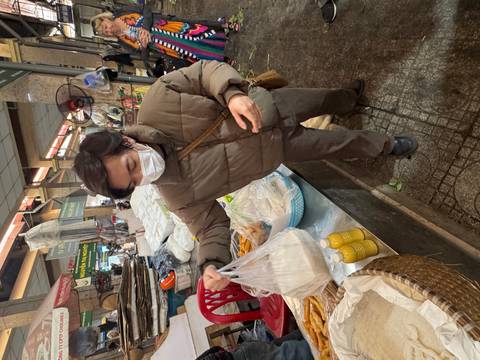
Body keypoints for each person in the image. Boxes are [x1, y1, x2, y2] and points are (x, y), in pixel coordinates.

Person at [73, 60, 417, 291]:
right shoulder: (176, 195)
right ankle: (386, 145)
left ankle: (350, 99)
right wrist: (211, 263)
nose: (142, 173)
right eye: (134, 182)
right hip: (277, 151)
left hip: (269, 107)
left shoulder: (158, 102)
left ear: (126, 140)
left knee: (321, 99)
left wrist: (233, 94)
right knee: (335, 145)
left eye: (132, 164)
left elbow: (206, 73)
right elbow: (210, 227)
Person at [91, 6, 239, 68]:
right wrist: (143, 45)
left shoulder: (122, 12)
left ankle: (225, 26)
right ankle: (222, 59)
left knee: (198, 30)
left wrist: (144, 28)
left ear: (105, 19)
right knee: (193, 54)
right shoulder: (122, 42)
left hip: (167, 26)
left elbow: (146, 10)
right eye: (105, 33)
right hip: (165, 47)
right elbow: (141, 55)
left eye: (105, 27)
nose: (108, 31)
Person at [196, 330, 313, 360]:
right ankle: (312, 333)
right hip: (241, 352)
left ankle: (326, 341)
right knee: (279, 347)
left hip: (244, 357)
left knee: (295, 354)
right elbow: (216, 349)